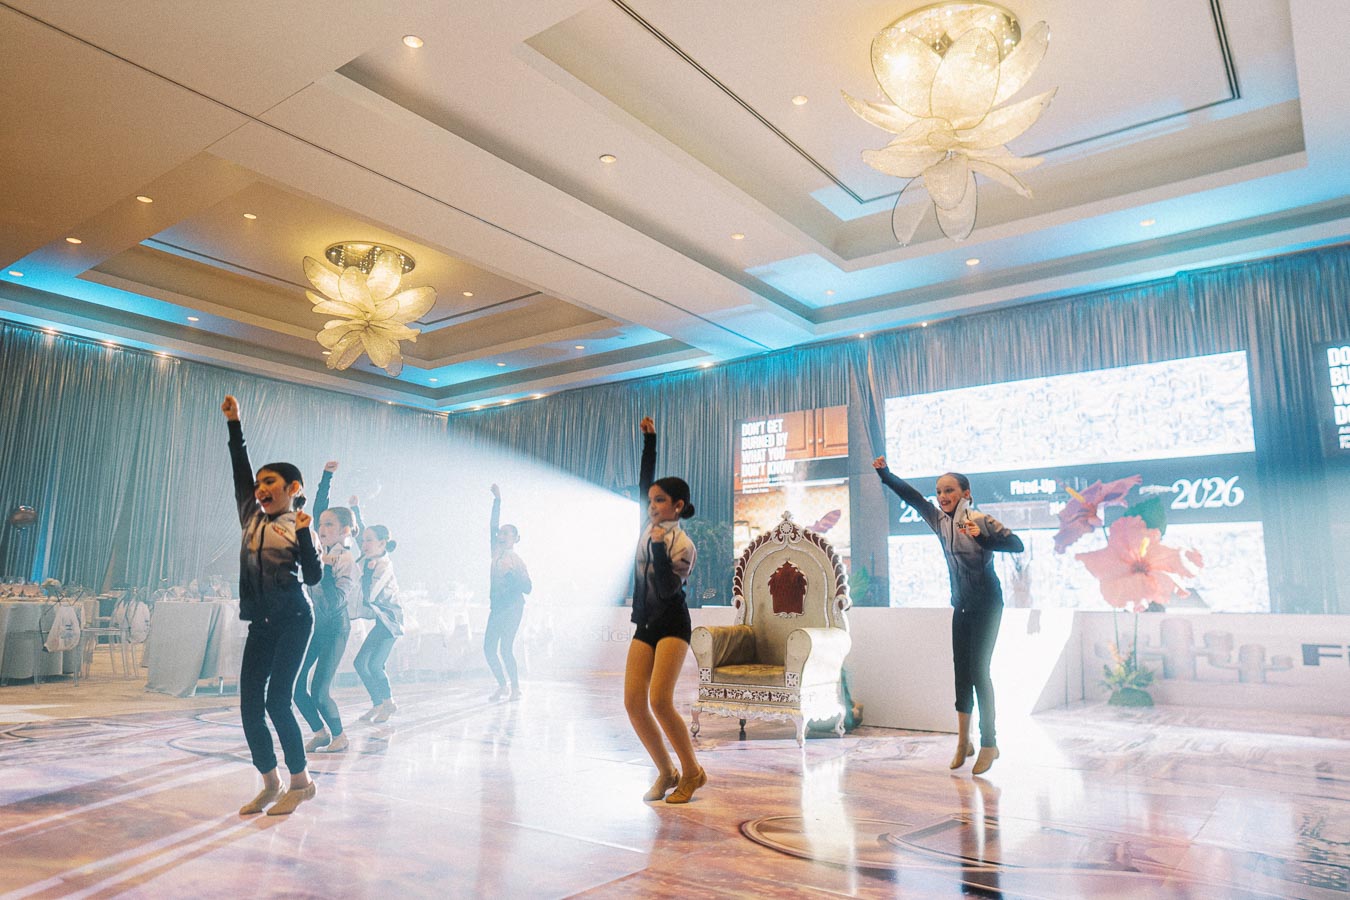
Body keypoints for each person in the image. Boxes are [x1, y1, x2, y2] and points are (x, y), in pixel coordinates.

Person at [873, 457, 1023, 775]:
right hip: (961, 606)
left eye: (949, 490)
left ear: (965, 492)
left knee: (980, 672)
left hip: (987, 605)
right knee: (961, 675)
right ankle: (963, 742)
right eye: (939, 491)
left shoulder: (981, 519)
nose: (942, 496)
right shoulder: (938, 520)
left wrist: (982, 538)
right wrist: (885, 474)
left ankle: (989, 743)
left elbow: (1017, 544)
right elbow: (912, 497)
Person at [221, 394, 322, 816]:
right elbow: (239, 468)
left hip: (295, 620)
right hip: (260, 623)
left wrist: (303, 534)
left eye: (270, 484)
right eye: (259, 484)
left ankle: (301, 782)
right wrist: (234, 425)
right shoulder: (250, 515)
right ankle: (270, 781)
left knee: (277, 700)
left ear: (292, 489)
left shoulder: (299, 526)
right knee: (249, 706)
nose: (260, 489)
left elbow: (314, 578)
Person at [625, 416, 704, 804]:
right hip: (645, 623)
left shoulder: (682, 545)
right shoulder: (649, 524)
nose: (652, 504)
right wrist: (650, 440)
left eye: (660, 500)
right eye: (651, 500)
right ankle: (666, 772)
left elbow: (668, 589)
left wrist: (657, 547)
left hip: (673, 623)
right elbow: (646, 480)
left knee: (659, 701)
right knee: (633, 703)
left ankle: (692, 772)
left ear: (678, 506)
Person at [294, 460, 359, 753]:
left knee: (320, 691)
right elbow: (319, 509)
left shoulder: (344, 559)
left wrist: (325, 570)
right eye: (320, 525)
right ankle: (320, 732)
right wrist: (326, 477)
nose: (322, 528)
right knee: (295, 687)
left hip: (335, 628)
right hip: (315, 626)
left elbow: (335, 603)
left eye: (329, 525)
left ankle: (340, 736)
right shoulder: (321, 553)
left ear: (345, 530)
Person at [485, 484, 532, 701]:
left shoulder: (516, 560)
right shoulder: (495, 552)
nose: (500, 534)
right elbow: (491, 526)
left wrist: (512, 578)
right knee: (488, 649)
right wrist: (498, 501)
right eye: (500, 532)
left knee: (505, 648)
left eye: (506, 532)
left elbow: (528, 588)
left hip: (513, 607)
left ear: (514, 538)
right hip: (497, 607)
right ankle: (502, 685)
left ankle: (515, 688)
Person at [353, 524, 403, 724]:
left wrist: (363, 574)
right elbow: (362, 533)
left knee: (374, 664)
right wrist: (356, 510)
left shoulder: (383, 565)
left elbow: (371, 596)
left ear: (382, 544)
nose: (364, 544)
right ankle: (378, 704)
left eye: (369, 540)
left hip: (391, 621)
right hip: (381, 621)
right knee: (360, 663)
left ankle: (388, 702)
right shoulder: (370, 558)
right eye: (363, 540)